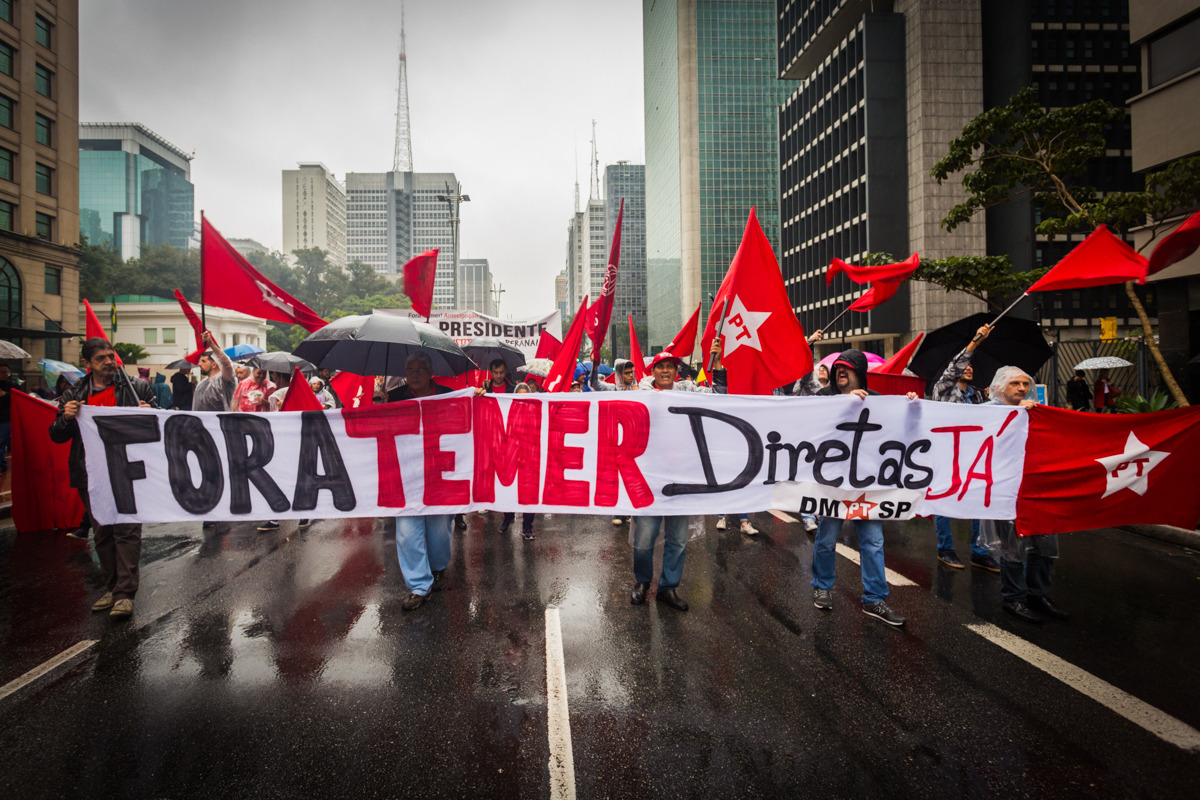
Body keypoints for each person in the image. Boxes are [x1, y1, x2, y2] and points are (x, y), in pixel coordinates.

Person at [49, 338, 156, 617]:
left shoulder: (136, 387)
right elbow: (57, 436)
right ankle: (112, 589)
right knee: (102, 532)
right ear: (87, 364)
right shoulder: (74, 393)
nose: (109, 362)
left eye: (111, 356)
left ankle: (125, 594)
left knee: (127, 530)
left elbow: (160, 427)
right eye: (101, 358)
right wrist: (66, 418)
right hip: (91, 474)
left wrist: (150, 415)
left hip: (126, 470)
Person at [807, 350, 909, 627]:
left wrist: (909, 405)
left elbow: (901, 426)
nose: (841, 370)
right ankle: (823, 586)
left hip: (868, 485)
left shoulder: (877, 400)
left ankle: (875, 599)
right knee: (827, 538)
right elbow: (806, 422)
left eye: (848, 367)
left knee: (873, 542)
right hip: (833, 485)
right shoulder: (823, 398)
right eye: (838, 366)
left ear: (860, 372)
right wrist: (842, 403)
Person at [629, 344, 724, 612]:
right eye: (660, 366)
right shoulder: (642, 395)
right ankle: (642, 582)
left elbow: (720, 396)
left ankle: (668, 588)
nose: (666, 370)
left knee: (678, 538)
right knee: (645, 536)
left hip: (682, 480)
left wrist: (715, 364)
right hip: (649, 479)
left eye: (670, 366)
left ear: (676, 371)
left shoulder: (689, 392)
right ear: (654, 371)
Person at [984, 366, 1068, 624]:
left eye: (1024, 383)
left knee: (1044, 541)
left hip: (1035, 488)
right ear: (999, 388)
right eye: (1014, 384)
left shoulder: (1036, 413)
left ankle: (1038, 594)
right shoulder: (986, 414)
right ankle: (1014, 598)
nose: (1021, 388)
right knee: (1011, 547)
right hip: (1005, 491)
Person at [929, 324, 999, 572]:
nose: (968, 368)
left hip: (974, 456)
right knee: (944, 501)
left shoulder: (979, 395)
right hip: (948, 455)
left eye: (971, 365)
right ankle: (945, 548)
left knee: (978, 499)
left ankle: (979, 551)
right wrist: (974, 342)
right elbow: (954, 368)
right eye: (964, 366)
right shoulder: (943, 389)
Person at [389, 352, 456, 611]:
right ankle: (419, 586)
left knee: (438, 530)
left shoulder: (449, 395)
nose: (414, 374)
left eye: (419, 369)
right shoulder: (392, 398)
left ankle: (438, 567)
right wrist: (377, 407)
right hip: (404, 477)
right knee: (407, 531)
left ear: (431, 373)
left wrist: (479, 399)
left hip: (440, 475)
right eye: (410, 369)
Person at [192, 332, 237, 413]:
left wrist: (211, 343)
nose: (199, 364)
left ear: (213, 364)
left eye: (203, 361)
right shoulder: (201, 385)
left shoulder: (224, 380)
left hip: (222, 423)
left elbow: (226, 364)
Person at [0, 363, 12, 472]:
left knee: (1, 442)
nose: (5, 374)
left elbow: (17, 397)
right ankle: (2, 464)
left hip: (5, 419)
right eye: (3, 372)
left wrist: (5, 394)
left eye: (7, 372)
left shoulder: (11, 385)